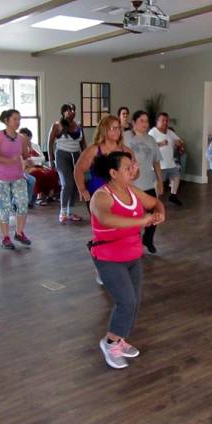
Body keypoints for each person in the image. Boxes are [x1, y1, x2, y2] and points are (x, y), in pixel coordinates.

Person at [89, 151, 165, 369]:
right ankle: (110, 342)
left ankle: (119, 339)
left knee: (135, 302)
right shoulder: (101, 196)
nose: (133, 170)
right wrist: (142, 220)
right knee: (126, 302)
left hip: (132, 256)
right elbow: (106, 218)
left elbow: (156, 203)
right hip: (108, 258)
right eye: (127, 168)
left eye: (133, 166)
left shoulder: (132, 191)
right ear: (113, 173)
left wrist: (160, 213)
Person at [0, 109, 31, 249]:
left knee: (23, 203)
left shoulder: (21, 138)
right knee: (5, 207)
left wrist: (28, 158)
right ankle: (5, 237)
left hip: (17, 176)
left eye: (19, 119)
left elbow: (25, 155)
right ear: (6, 121)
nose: (18, 122)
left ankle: (19, 232)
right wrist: (9, 160)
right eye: (15, 119)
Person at [74, 115, 136, 205]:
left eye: (119, 128)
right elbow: (78, 169)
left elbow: (135, 174)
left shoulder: (126, 151)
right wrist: (82, 189)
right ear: (104, 129)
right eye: (113, 128)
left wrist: (133, 172)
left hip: (121, 196)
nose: (117, 131)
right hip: (97, 196)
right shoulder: (93, 150)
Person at [125, 110, 163, 253]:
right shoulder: (126, 137)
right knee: (132, 216)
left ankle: (148, 239)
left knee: (154, 214)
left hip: (147, 182)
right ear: (133, 123)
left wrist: (160, 181)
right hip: (131, 185)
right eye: (141, 120)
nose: (145, 124)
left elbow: (156, 162)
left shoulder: (151, 140)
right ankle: (132, 244)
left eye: (146, 121)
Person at [47, 103, 85, 223]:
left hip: (76, 156)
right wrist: (51, 160)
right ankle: (62, 212)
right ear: (63, 112)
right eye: (69, 110)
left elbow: (83, 144)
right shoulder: (57, 125)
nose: (72, 112)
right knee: (67, 183)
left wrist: (86, 158)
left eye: (74, 110)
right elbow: (50, 143)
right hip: (62, 156)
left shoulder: (78, 125)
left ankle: (70, 212)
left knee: (75, 185)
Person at [149, 112, 185, 206]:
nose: (165, 122)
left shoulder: (170, 132)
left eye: (167, 120)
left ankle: (173, 196)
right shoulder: (153, 132)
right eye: (163, 120)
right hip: (159, 165)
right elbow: (148, 146)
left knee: (176, 177)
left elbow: (180, 141)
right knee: (158, 185)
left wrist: (180, 144)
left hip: (170, 163)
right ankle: (155, 203)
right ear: (157, 121)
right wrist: (160, 143)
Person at [20, 127, 59, 206]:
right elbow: (24, 160)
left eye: (26, 136)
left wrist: (31, 159)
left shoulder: (35, 146)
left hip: (38, 166)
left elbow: (43, 158)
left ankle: (50, 195)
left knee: (52, 173)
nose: (24, 138)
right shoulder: (19, 147)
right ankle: (41, 197)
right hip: (27, 168)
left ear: (29, 136)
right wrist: (32, 160)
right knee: (38, 174)